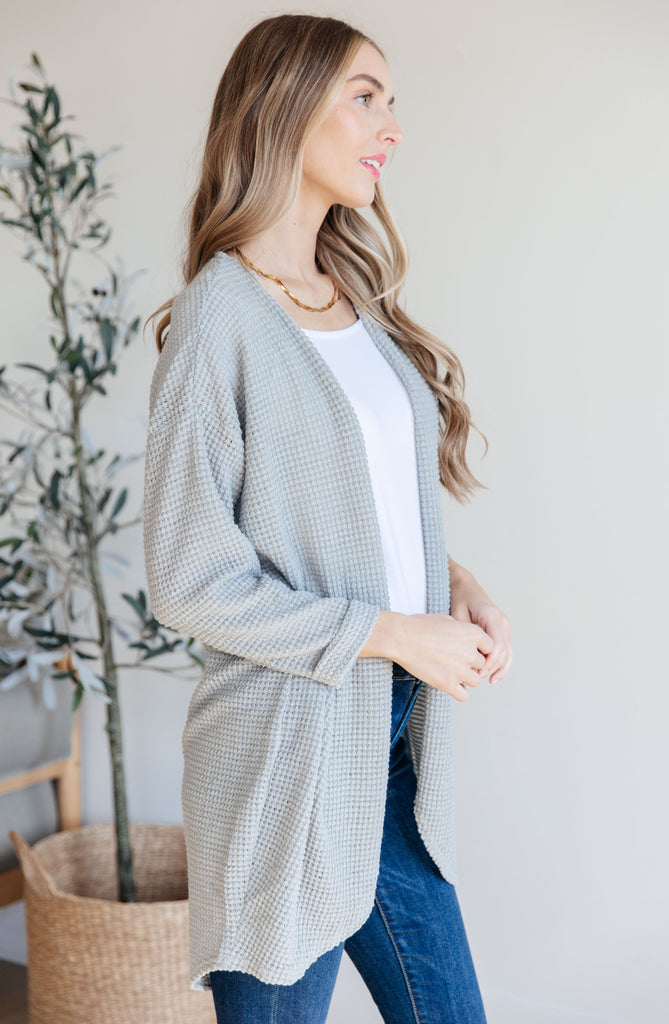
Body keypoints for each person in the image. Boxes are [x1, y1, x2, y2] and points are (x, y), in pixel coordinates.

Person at [143, 13, 513, 1024]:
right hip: (282, 758)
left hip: (382, 740)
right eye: (364, 97)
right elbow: (189, 580)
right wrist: (394, 632)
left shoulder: (350, 296)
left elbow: (366, 510)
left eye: (391, 102)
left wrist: (454, 588)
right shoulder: (220, 319)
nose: (390, 125)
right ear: (284, 105)